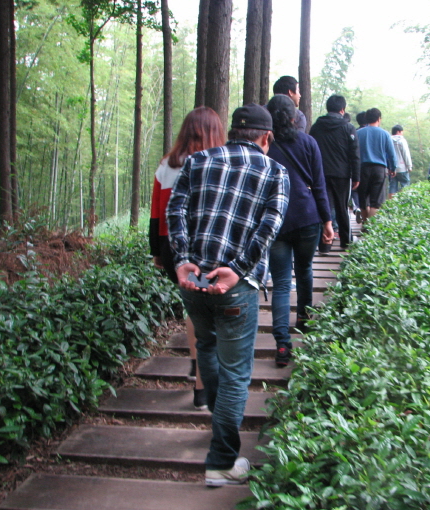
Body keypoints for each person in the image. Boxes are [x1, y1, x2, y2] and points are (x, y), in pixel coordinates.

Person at [166, 104, 289, 486]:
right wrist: (237, 268)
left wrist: (182, 260)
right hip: (236, 287)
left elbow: (175, 212)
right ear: (266, 137)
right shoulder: (275, 171)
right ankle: (221, 461)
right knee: (236, 373)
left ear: (234, 132)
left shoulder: (197, 161)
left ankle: (221, 434)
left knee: (206, 345)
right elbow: (269, 228)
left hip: (195, 282)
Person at [149, 106, 225, 410]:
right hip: (204, 248)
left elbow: (156, 214)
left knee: (193, 308)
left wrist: (157, 252)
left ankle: (196, 362)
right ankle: (202, 388)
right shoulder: (217, 164)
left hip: (172, 249)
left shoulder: (166, 165)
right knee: (207, 316)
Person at [267, 95, 333, 366]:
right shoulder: (308, 142)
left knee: (281, 283)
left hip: (276, 221)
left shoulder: (265, 146)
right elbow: (319, 185)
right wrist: (327, 221)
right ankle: (304, 321)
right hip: (307, 217)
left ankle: (282, 345)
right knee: (304, 270)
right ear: (294, 117)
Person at [309, 95, 361, 252]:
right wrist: (356, 176)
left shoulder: (316, 127)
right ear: (342, 110)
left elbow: (310, 151)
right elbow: (355, 154)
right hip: (342, 175)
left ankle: (324, 245)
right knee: (342, 208)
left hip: (321, 174)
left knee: (323, 208)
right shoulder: (348, 128)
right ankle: (346, 242)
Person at [356, 108, 397, 224]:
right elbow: (391, 154)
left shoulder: (358, 133)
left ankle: (365, 224)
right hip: (379, 170)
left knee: (363, 200)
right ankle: (370, 228)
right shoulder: (385, 134)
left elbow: (353, 153)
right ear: (379, 119)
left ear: (366, 119)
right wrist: (393, 168)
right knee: (376, 202)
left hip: (362, 169)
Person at [389, 124, 413, 198]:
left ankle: (391, 202)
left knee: (392, 186)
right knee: (405, 185)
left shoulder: (388, 140)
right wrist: (409, 166)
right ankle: (404, 202)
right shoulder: (402, 140)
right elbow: (406, 154)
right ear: (398, 131)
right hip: (402, 167)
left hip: (391, 168)